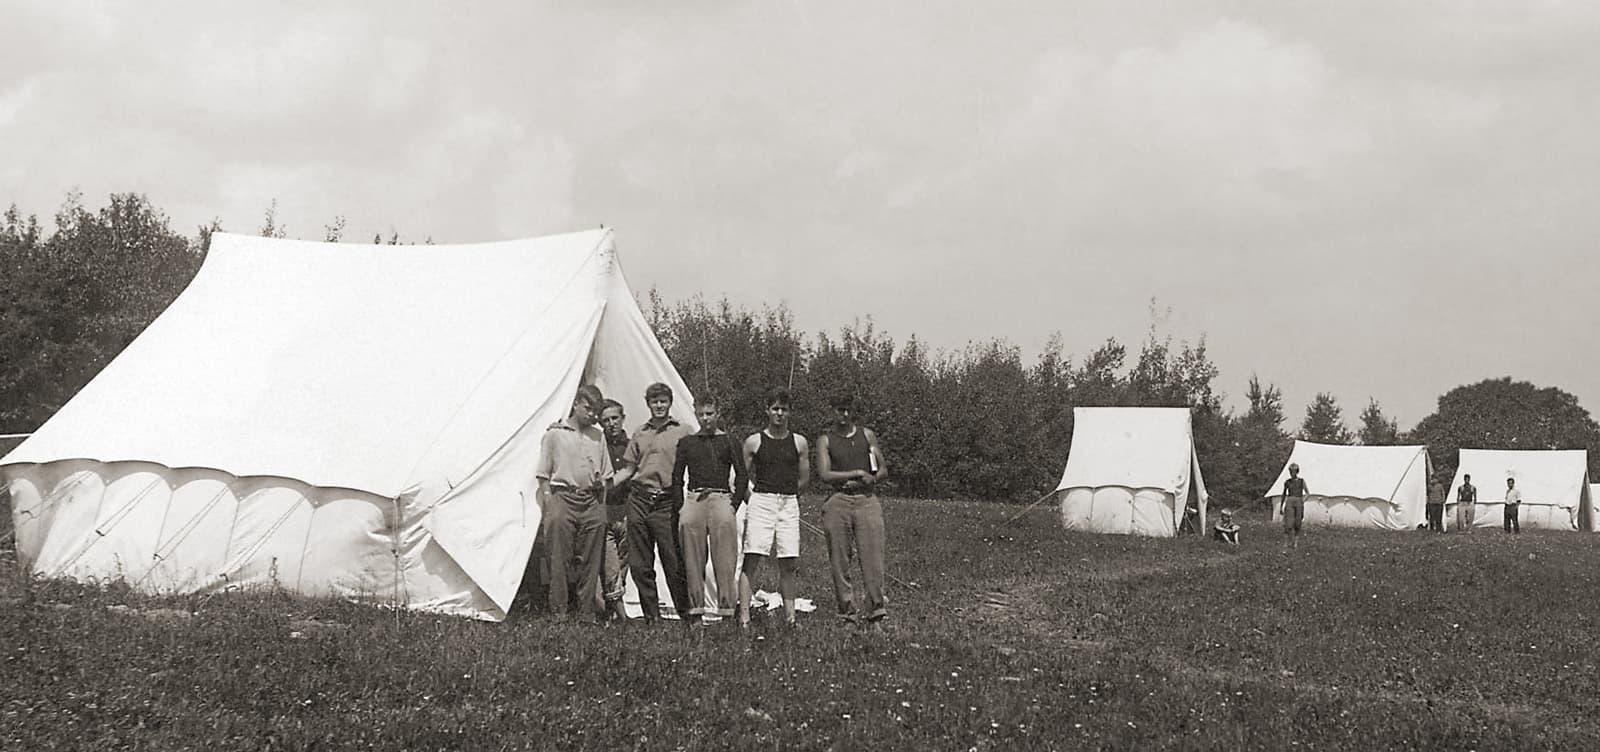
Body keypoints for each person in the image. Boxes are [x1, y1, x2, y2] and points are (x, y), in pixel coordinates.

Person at [535, 384, 613, 621]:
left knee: (591, 559)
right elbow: (543, 475)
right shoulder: (555, 434)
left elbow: (607, 474)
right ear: (576, 404)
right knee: (558, 557)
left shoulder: (598, 435)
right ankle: (559, 611)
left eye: (595, 411)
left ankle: (586, 612)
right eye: (588, 408)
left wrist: (601, 505)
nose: (592, 415)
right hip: (563, 497)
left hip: (590, 499)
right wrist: (549, 502)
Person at [617, 383, 694, 623]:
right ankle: (652, 617)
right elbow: (629, 468)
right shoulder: (640, 433)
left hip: (666, 501)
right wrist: (604, 485)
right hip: (639, 498)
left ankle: (686, 615)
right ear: (648, 404)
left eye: (663, 401)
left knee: (673, 562)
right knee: (640, 564)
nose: (659, 406)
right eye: (654, 402)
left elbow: (699, 457)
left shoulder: (684, 431)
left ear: (670, 403)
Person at [671, 397, 748, 625]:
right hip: (694, 498)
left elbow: (742, 475)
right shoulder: (687, 442)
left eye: (710, 413)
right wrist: (681, 506)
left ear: (718, 413)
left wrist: (733, 505)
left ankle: (726, 613)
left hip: (721, 496)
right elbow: (677, 476)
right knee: (693, 558)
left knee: (724, 559)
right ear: (695, 414)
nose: (706, 419)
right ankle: (696, 612)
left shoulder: (729, 441)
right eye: (702, 414)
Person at [816, 392, 890, 628]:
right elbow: (825, 474)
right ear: (833, 411)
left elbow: (883, 470)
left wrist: (871, 478)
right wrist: (854, 474)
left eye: (847, 410)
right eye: (840, 410)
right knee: (840, 560)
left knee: (873, 559)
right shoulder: (825, 440)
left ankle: (876, 613)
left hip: (866, 499)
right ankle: (847, 613)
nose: (844, 415)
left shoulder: (866, 435)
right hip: (838, 500)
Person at [740, 388, 810, 628]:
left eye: (784, 409)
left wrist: (789, 496)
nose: (779, 413)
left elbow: (804, 478)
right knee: (752, 559)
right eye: (775, 409)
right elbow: (740, 477)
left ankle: (790, 619)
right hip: (761, 501)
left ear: (790, 412)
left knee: (788, 562)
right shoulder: (754, 441)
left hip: (788, 503)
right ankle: (745, 620)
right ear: (767, 411)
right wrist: (754, 500)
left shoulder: (799, 442)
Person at [597, 399, 632, 622]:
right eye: (606, 420)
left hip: (628, 511)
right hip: (606, 511)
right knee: (609, 564)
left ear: (622, 418)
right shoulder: (597, 445)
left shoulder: (632, 444)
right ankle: (620, 615)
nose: (611, 424)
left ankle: (611, 610)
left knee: (624, 562)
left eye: (615, 418)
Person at [1280, 462, 1308, 549]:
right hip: (1290, 501)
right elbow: (1284, 494)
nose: (1292, 473)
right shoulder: (1287, 482)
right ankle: (1285, 543)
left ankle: (1295, 543)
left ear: (1297, 471)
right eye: (1291, 471)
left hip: (1299, 500)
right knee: (1288, 523)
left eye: (1294, 471)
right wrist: (1281, 505)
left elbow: (1307, 493)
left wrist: (1302, 500)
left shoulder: (1301, 481)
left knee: (1297, 523)